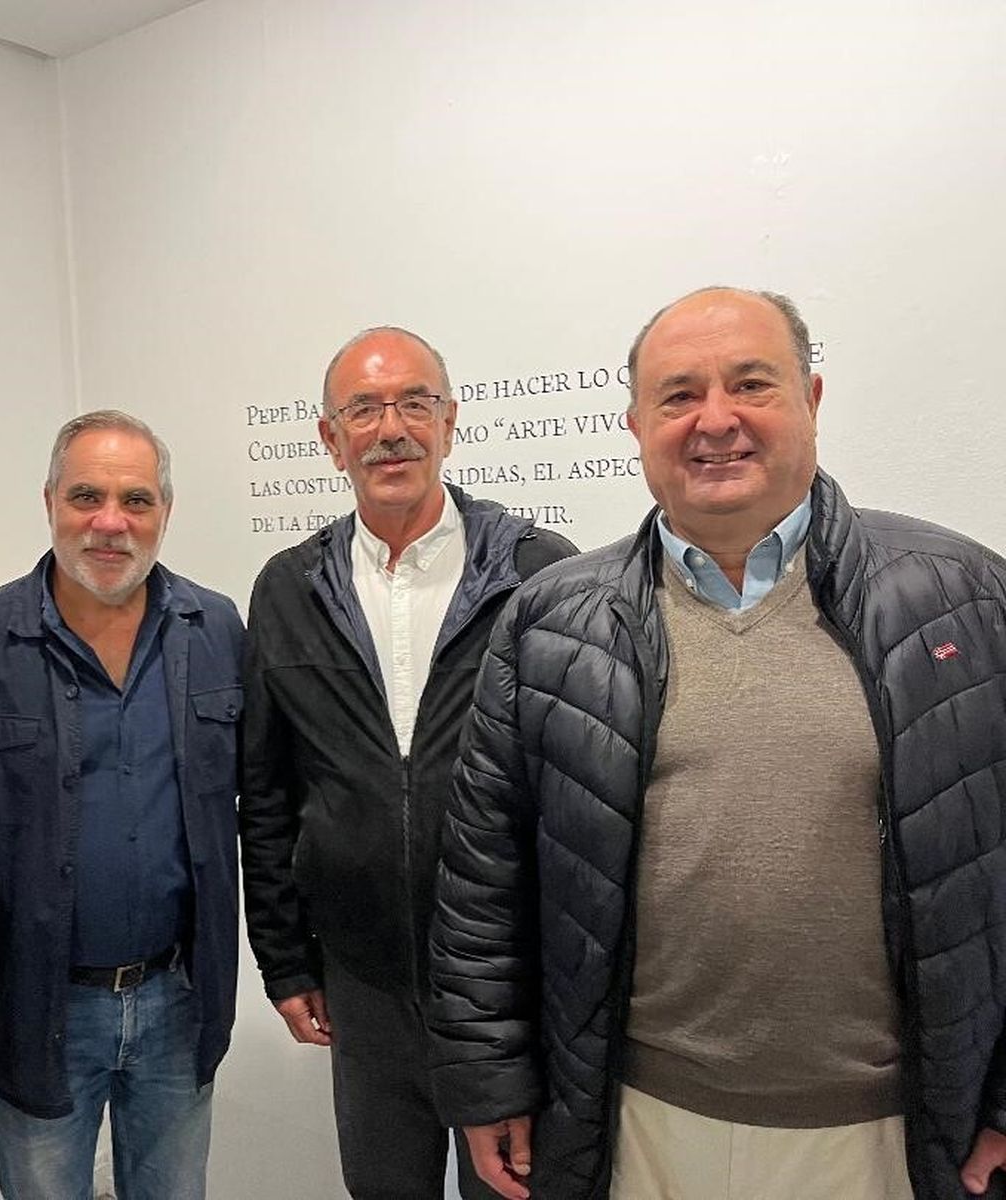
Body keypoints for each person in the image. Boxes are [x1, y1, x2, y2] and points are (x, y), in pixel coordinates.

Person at [428, 287, 1006, 1200]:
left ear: (811, 400)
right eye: (678, 395)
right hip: (643, 1125)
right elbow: (483, 884)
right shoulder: (548, 624)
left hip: (889, 1135)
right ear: (635, 424)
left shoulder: (963, 598)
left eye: (751, 384)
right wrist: (489, 1078)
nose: (716, 421)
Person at [240, 326, 575, 1198]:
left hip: (509, 987)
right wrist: (285, 959)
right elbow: (269, 791)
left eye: (413, 403)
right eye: (363, 408)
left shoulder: (539, 577)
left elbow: (581, 799)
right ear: (329, 437)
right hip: (363, 981)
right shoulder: (288, 588)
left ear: (450, 421)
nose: (391, 428)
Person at [0, 410, 242, 1200]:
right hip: (38, 1007)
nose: (110, 523)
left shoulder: (217, 630)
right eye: (87, 496)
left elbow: (262, 807)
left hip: (179, 1002)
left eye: (136, 501)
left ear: (165, 512)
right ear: (50, 502)